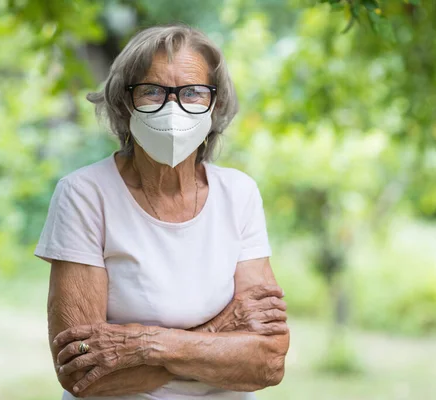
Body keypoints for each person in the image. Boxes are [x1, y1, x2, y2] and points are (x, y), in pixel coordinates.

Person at [35, 24, 289, 400]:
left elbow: (267, 361)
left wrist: (145, 344)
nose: (173, 108)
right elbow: (84, 372)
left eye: (192, 93)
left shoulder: (239, 194)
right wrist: (221, 335)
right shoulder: (84, 194)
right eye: (152, 91)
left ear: (214, 106)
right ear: (124, 102)